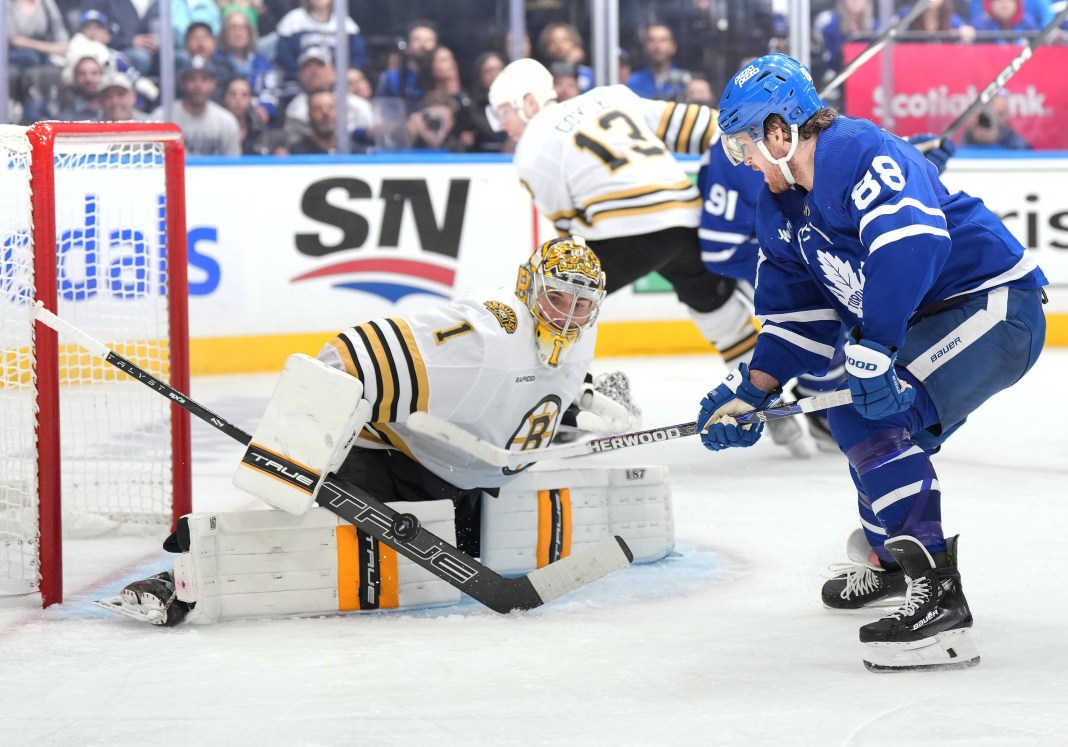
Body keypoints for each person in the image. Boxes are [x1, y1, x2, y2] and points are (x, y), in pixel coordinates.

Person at [699, 53, 1047, 671]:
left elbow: (912, 245)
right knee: (855, 414)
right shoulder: (781, 209)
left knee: (870, 420)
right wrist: (749, 391)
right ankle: (891, 560)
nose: (742, 160)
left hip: (993, 306)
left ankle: (942, 607)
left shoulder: (855, 152)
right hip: (932, 321)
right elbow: (798, 321)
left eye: (744, 143)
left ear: (780, 131)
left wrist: (878, 346)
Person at [102, 237, 637, 625]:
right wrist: (300, 450)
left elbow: (535, 379)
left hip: (464, 482)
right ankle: (178, 583)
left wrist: (578, 398)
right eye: (556, 298)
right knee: (314, 547)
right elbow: (345, 357)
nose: (568, 316)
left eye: (582, 303)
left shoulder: (579, 331)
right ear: (528, 288)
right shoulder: (485, 336)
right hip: (390, 464)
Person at [487, 57, 810, 458]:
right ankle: (771, 406)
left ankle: (563, 410)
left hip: (623, 236)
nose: (501, 124)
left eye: (503, 111)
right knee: (716, 310)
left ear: (529, 102)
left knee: (555, 302)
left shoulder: (531, 147)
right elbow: (706, 126)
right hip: (685, 224)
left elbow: (570, 234)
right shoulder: (611, 97)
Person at [152, 54, 241, 156]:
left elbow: (233, 164)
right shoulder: (161, 117)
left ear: (214, 84)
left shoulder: (226, 122)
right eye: (192, 79)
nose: (198, 85)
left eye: (204, 79)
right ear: (182, 83)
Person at [626, 23, 690, 101]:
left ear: (673, 47)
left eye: (663, 40)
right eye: (652, 40)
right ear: (644, 47)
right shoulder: (634, 81)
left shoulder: (683, 80)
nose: (657, 46)